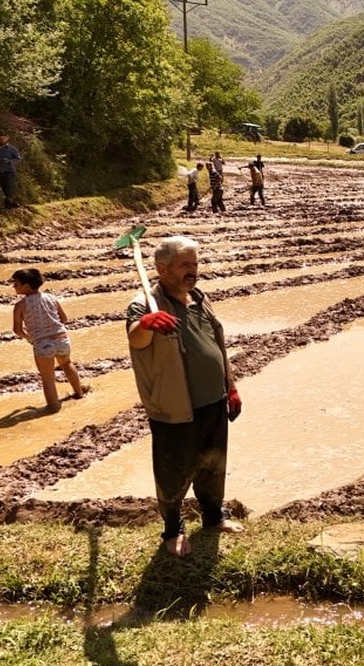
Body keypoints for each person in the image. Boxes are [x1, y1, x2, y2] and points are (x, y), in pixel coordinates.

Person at [126, 236, 243, 557]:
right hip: (176, 409)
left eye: (195, 264)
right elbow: (137, 340)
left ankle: (213, 516)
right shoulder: (145, 304)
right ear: (162, 269)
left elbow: (216, 344)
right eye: (184, 265)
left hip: (214, 402)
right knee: (173, 471)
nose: (192, 271)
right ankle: (173, 529)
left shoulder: (199, 298)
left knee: (213, 465)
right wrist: (146, 324)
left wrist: (230, 386)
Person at [11, 268, 87, 411]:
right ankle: (79, 393)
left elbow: (17, 329)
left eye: (16, 283)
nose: (13, 286)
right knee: (67, 365)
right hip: (62, 339)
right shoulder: (51, 298)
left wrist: (29, 338)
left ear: (26, 286)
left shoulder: (20, 305)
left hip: (42, 344)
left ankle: (53, 407)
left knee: (48, 378)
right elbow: (64, 318)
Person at [0, 133, 22, 208]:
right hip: (0, 170)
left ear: (7, 138)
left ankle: (8, 205)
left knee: (9, 187)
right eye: (1, 138)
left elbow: (18, 158)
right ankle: (13, 202)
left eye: (4, 138)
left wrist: (9, 161)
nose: (2, 140)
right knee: (3, 187)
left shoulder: (12, 148)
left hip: (9, 171)